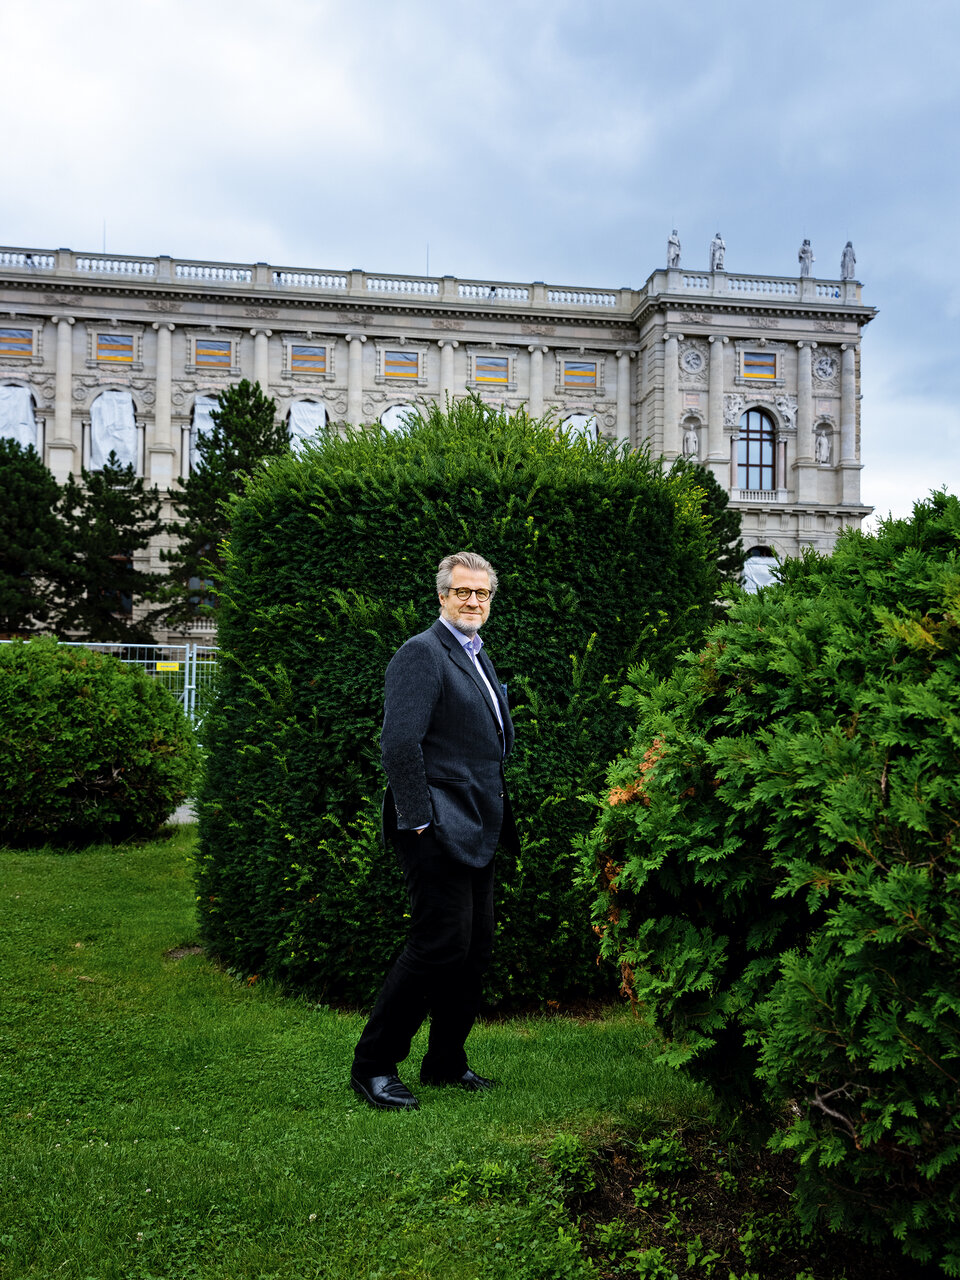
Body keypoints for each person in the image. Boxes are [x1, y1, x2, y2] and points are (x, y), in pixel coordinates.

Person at [350, 550, 518, 1111]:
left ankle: (446, 1062)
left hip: (478, 824)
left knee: (472, 949)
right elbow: (399, 743)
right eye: (463, 592)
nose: (474, 602)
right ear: (442, 596)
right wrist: (420, 820)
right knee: (437, 944)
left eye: (483, 594)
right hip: (434, 825)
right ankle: (373, 1066)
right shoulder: (422, 653)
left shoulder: (474, 653)